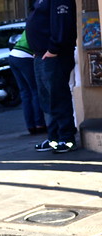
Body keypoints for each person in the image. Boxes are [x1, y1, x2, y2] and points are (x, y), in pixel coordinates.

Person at [27, 0, 78, 153]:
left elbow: (62, 23)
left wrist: (53, 49)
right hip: (42, 54)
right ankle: (54, 138)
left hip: (54, 55)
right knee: (48, 99)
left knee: (58, 96)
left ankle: (67, 139)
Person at [9, 29, 47, 135]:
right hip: (25, 56)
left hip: (13, 55)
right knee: (35, 91)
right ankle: (39, 124)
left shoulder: (31, 22)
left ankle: (30, 126)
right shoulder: (43, 22)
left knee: (25, 92)